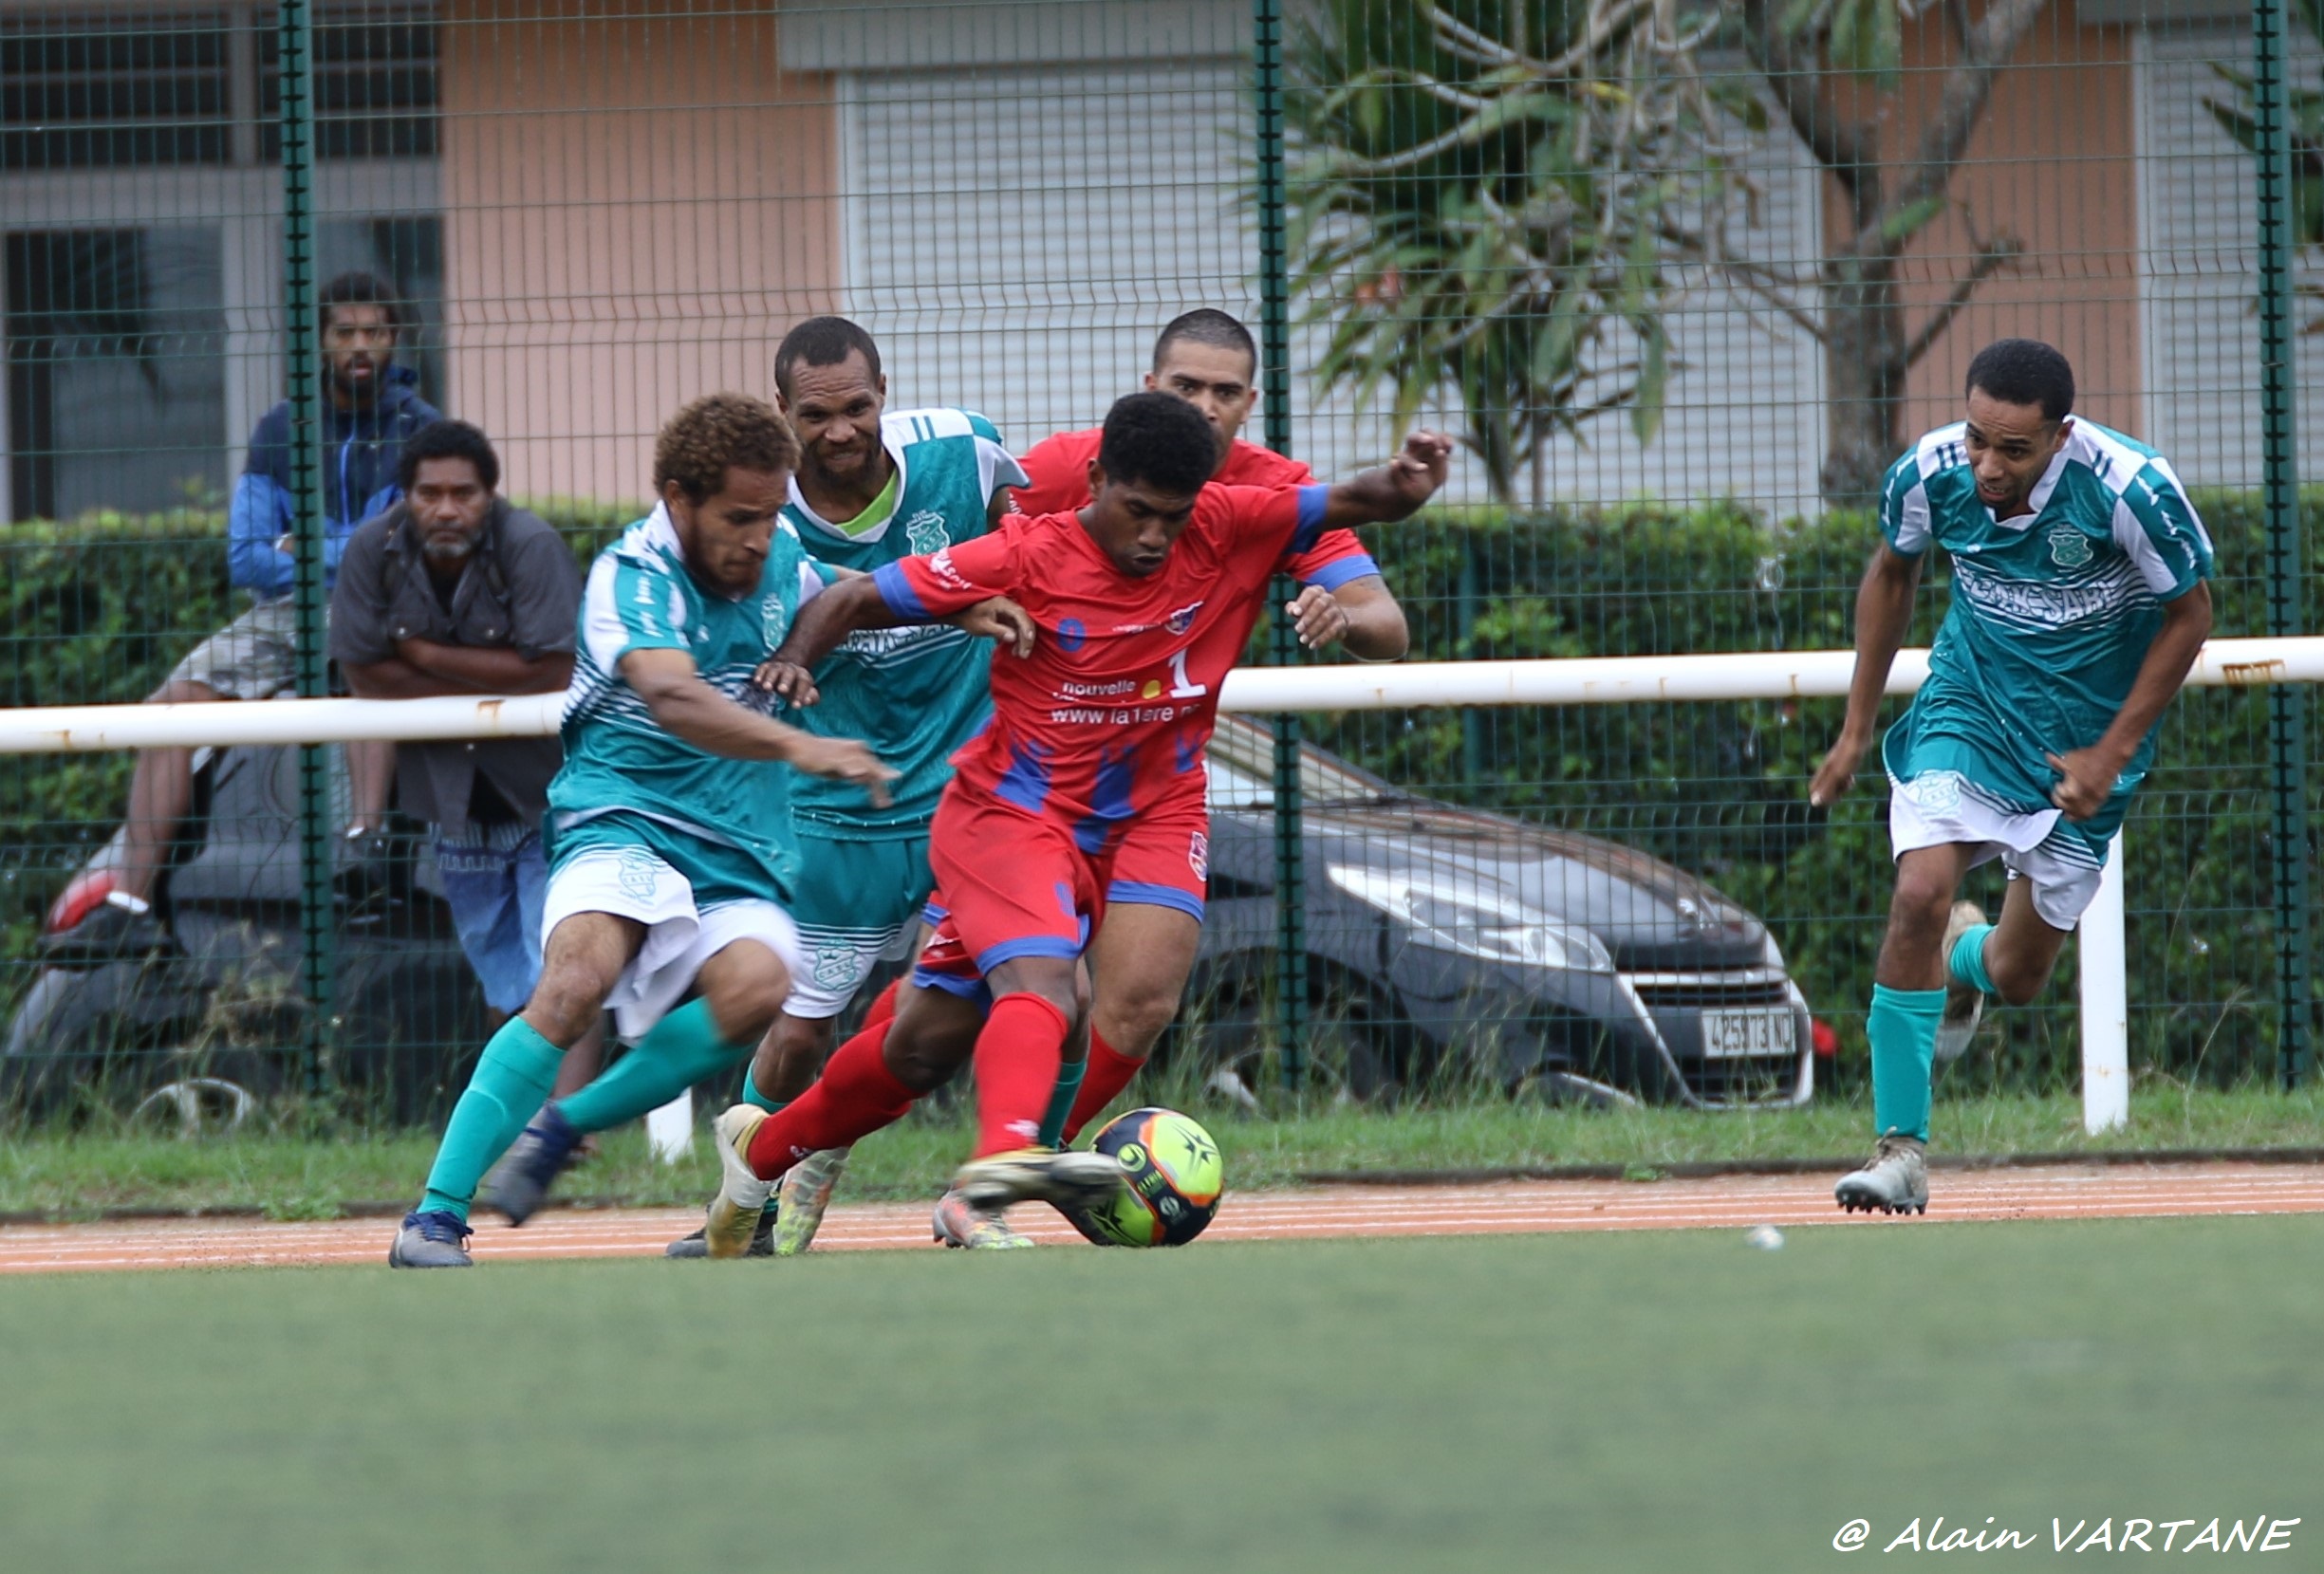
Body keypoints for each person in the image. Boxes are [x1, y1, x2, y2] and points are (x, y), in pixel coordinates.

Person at [695, 392, 1451, 1256]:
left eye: (1173, 516)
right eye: (1137, 511)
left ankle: (762, 1151)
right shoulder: (1025, 551)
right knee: (1055, 987)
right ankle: (1000, 1169)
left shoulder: (1232, 519)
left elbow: (1359, 502)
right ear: (1095, 480)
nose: (1154, 537)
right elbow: (859, 595)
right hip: (1013, 812)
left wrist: (1407, 483)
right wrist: (792, 660)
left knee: (923, 1047)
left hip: (1147, 812)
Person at [387, 394, 901, 1268]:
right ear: (678, 499)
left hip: (737, 847)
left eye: (770, 514)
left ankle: (559, 1130)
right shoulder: (632, 574)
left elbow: (852, 595)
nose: (759, 538)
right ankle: (434, 1218)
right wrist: (798, 746)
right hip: (623, 815)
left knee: (759, 987)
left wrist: (960, 605)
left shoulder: (779, 555)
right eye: (738, 518)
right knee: (573, 982)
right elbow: (673, 695)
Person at [1809, 339, 2214, 1215]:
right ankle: (1898, 1150)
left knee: (2019, 974)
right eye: (1975, 439)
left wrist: (2108, 753)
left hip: (2081, 745)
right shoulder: (1929, 475)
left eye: (2013, 449)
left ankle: (1964, 962)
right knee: (1918, 890)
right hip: (1971, 709)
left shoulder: (2129, 490)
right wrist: (1854, 729)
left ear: (2060, 435)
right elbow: (1891, 572)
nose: (1987, 466)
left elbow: (2190, 615)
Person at [46, 271, 438, 961]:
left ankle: (367, 855)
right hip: (285, 613)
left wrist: (303, 544)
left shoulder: (423, 430)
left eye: (375, 332)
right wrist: (345, 548)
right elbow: (247, 559)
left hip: (383, 607)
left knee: (367, 671)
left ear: (394, 338)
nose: (360, 346)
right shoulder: (280, 428)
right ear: (320, 340)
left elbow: (399, 554)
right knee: (169, 708)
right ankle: (131, 904)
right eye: (345, 332)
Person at [329, 417, 604, 1096]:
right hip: (452, 796)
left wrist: (423, 655)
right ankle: (514, 1116)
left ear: (490, 494)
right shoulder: (371, 548)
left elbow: (553, 669)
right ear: (406, 496)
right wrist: (490, 678)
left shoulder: (530, 544)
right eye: (430, 494)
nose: (446, 509)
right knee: (497, 965)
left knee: (565, 958)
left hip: (549, 791)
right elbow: (363, 673)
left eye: (464, 493)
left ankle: (567, 1127)